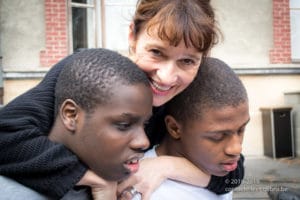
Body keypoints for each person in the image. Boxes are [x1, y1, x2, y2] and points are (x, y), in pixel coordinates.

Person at [0, 0, 244, 199]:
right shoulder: (91, 76)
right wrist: (88, 176)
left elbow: (233, 172)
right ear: (132, 36)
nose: (167, 77)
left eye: (187, 61)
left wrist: (166, 166)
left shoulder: (190, 95)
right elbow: (5, 135)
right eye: (156, 52)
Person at [0, 48, 153, 200]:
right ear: (71, 115)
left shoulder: (129, 186)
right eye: (124, 125)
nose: (144, 142)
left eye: (145, 124)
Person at [141, 57, 249, 199]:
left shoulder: (214, 165)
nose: (236, 149)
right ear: (174, 128)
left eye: (241, 130)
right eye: (218, 136)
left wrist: (169, 166)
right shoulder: (144, 188)